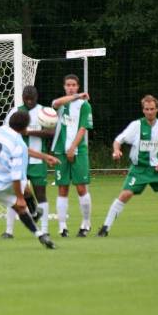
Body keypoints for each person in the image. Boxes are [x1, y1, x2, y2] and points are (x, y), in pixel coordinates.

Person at [97, 95, 158, 237]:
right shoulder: (136, 126)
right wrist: (116, 150)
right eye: (146, 109)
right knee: (125, 195)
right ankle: (104, 229)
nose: (149, 112)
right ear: (143, 110)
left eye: (152, 109)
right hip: (139, 170)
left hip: (156, 170)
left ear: (157, 109)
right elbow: (118, 140)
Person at [0, 111, 59, 249]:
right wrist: (20, 197)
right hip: (5, 183)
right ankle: (34, 213)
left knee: (21, 202)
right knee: (21, 201)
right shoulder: (18, 145)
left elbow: (24, 149)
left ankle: (39, 233)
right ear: (25, 127)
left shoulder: (0, 131)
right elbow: (16, 176)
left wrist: (44, 157)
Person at [1, 86, 55, 238]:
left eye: (32, 98)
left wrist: (29, 132)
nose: (29, 101)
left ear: (37, 97)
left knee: (40, 194)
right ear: (23, 97)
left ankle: (44, 230)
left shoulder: (45, 112)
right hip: (19, 160)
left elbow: (51, 132)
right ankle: (9, 231)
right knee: (14, 194)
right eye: (27, 98)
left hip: (37, 160)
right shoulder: (15, 112)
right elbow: (7, 132)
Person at [51, 74, 93, 237]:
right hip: (60, 151)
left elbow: (83, 128)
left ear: (78, 86)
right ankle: (62, 227)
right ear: (64, 87)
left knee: (81, 187)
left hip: (79, 151)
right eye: (68, 85)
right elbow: (55, 103)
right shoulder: (61, 104)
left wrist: (73, 148)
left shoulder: (84, 106)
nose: (70, 87)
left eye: (74, 85)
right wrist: (74, 96)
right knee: (62, 188)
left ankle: (86, 223)